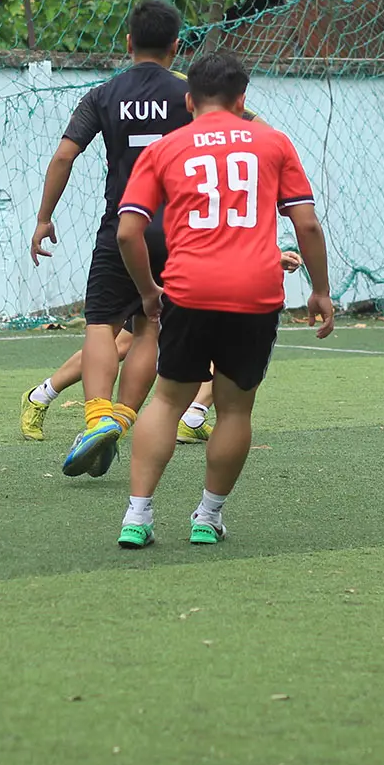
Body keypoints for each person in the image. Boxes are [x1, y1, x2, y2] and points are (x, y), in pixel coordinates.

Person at [113, 51, 335, 548]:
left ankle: (137, 516)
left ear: (189, 100)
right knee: (234, 411)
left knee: (168, 398)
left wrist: (150, 292)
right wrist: (319, 290)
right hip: (254, 292)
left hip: (188, 289)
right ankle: (207, 516)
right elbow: (307, 224)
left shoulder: (165, 149)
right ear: (242, 100)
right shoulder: (274, 142)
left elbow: (129, 233)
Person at [28, 0, 192, 478]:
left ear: (128, 43)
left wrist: (44, 217)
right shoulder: (190, 94)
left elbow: (63, 156)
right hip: (179, 234)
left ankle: (98, 415)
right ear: (176, 47)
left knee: (101, 322)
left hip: (124, 228)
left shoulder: (103, 94)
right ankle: (121, 419)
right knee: (149, 325)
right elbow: (243, 131)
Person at [18, 248, 302, 444]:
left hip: (190, 263)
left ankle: (192, 415)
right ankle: (40, 396)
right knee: (121, 345)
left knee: (219, 336)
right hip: (165, 257)